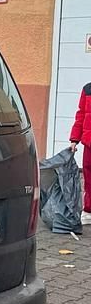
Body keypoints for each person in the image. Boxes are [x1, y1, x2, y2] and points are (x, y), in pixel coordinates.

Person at [69, 83, 91, 225]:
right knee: (88, 176)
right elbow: (81, 114)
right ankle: (89, 210)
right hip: (89, 142)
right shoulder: (87, 89)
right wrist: (74, 139)